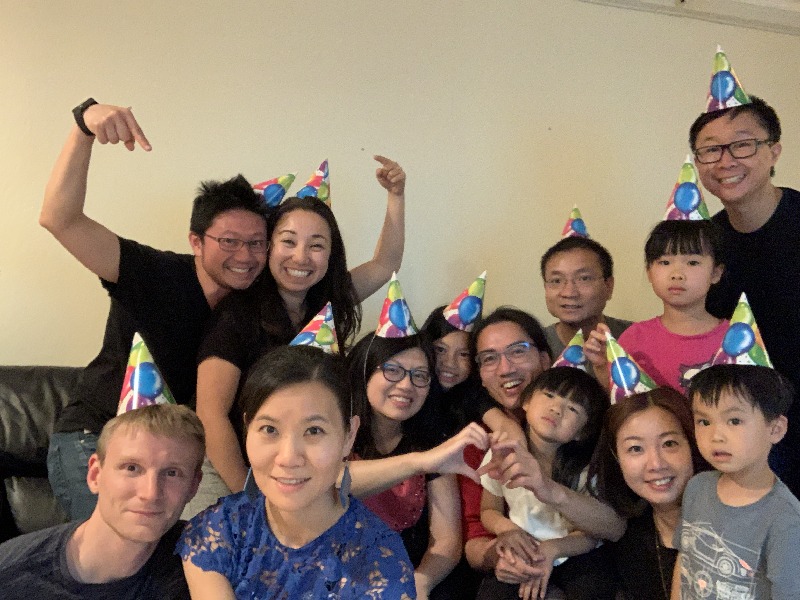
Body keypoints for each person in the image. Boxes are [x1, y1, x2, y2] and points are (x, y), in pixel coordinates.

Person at [40, 101, 271, 521]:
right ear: (196, 241)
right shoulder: (153, 272)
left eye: (257, 243)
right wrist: (83, 125)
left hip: (164, 454)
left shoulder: (252, 304)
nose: (245, 255)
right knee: (119, 546)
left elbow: (331, 287)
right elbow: (60, 219)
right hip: (93, 440)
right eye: (229, 241)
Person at [185, 156, 406, 517]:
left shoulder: (328, 304)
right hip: (227, 469)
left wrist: (396, 195)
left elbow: (385, 263)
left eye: (316, 245)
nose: (301, 257)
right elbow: (210, 414)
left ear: (330, 255)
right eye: (288, 242)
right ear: (268, 247)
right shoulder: (237, 315)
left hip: (293, 470)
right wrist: (251, 497)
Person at [178, 345, 416, 599]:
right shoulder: (218, 530)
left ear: (349, 436)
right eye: (270, 429)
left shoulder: (381, 567)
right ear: (248, 429)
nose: (288, 458)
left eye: (314, 431)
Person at [461, 307, 625, 587]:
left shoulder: (589, 447)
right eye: (489, 358)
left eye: (517, 351)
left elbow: (612, 527)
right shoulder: (484, 442)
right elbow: (477, 530)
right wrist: (505, 554)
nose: (505, 368)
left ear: (545, 359)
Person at [690, 95, 800, 497]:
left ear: (774, 151)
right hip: (749, 437)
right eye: (711, 150)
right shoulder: (705, 246)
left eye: (742, 144)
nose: (726, 160)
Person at [0, 404, 204, 599]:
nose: (150, 493)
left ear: (193, 486)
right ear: (95, 475)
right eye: (132, 468)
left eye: (172, 473)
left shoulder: (204, 557)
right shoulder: (12, 576)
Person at [476, 367, 611, 600]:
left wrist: (554, 548)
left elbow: (591, 535)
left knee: (591, 587)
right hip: (522, 548)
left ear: (582, 432)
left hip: (574, 551)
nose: (556, 409)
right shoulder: (503, 453)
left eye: (573, 408)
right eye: (549, 395)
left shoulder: (587, 469)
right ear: (526, 402)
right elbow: (489, 509)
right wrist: (507, 530)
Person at [348, 331, 462, 600]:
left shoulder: (432, 442)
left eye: (419, 375)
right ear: (364, 371)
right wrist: (417, 463)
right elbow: (331, 484)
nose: (406, 385)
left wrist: (420, 582)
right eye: (392, 370)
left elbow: (447, 541)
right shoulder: (335, 433)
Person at [673, 364, 800, 598]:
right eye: (704, 422)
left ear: (775, 429)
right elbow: (684, 559)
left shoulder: (786, 519)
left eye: (734, 421)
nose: (716, 436)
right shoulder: (697, 486)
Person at [584, 220, 727, 395]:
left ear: (716, 273)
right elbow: (623, 401)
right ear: (649, 272)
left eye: (692, 262)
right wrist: (602, 366)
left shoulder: (735, 338)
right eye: (665, 262)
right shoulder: (634, 338)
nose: (677, 274)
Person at [590, 387, 707, 600]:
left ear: (694, 445)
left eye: (669, 444)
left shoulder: (740, 525)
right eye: (635, 448)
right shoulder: (626, 540)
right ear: (617, 458)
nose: (656, 464)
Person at [540, 237, 631, 358]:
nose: (569, 293)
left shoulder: (637, 338)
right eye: (556, 281)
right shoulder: (535, 345)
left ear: (608, 286)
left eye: (584, 278)